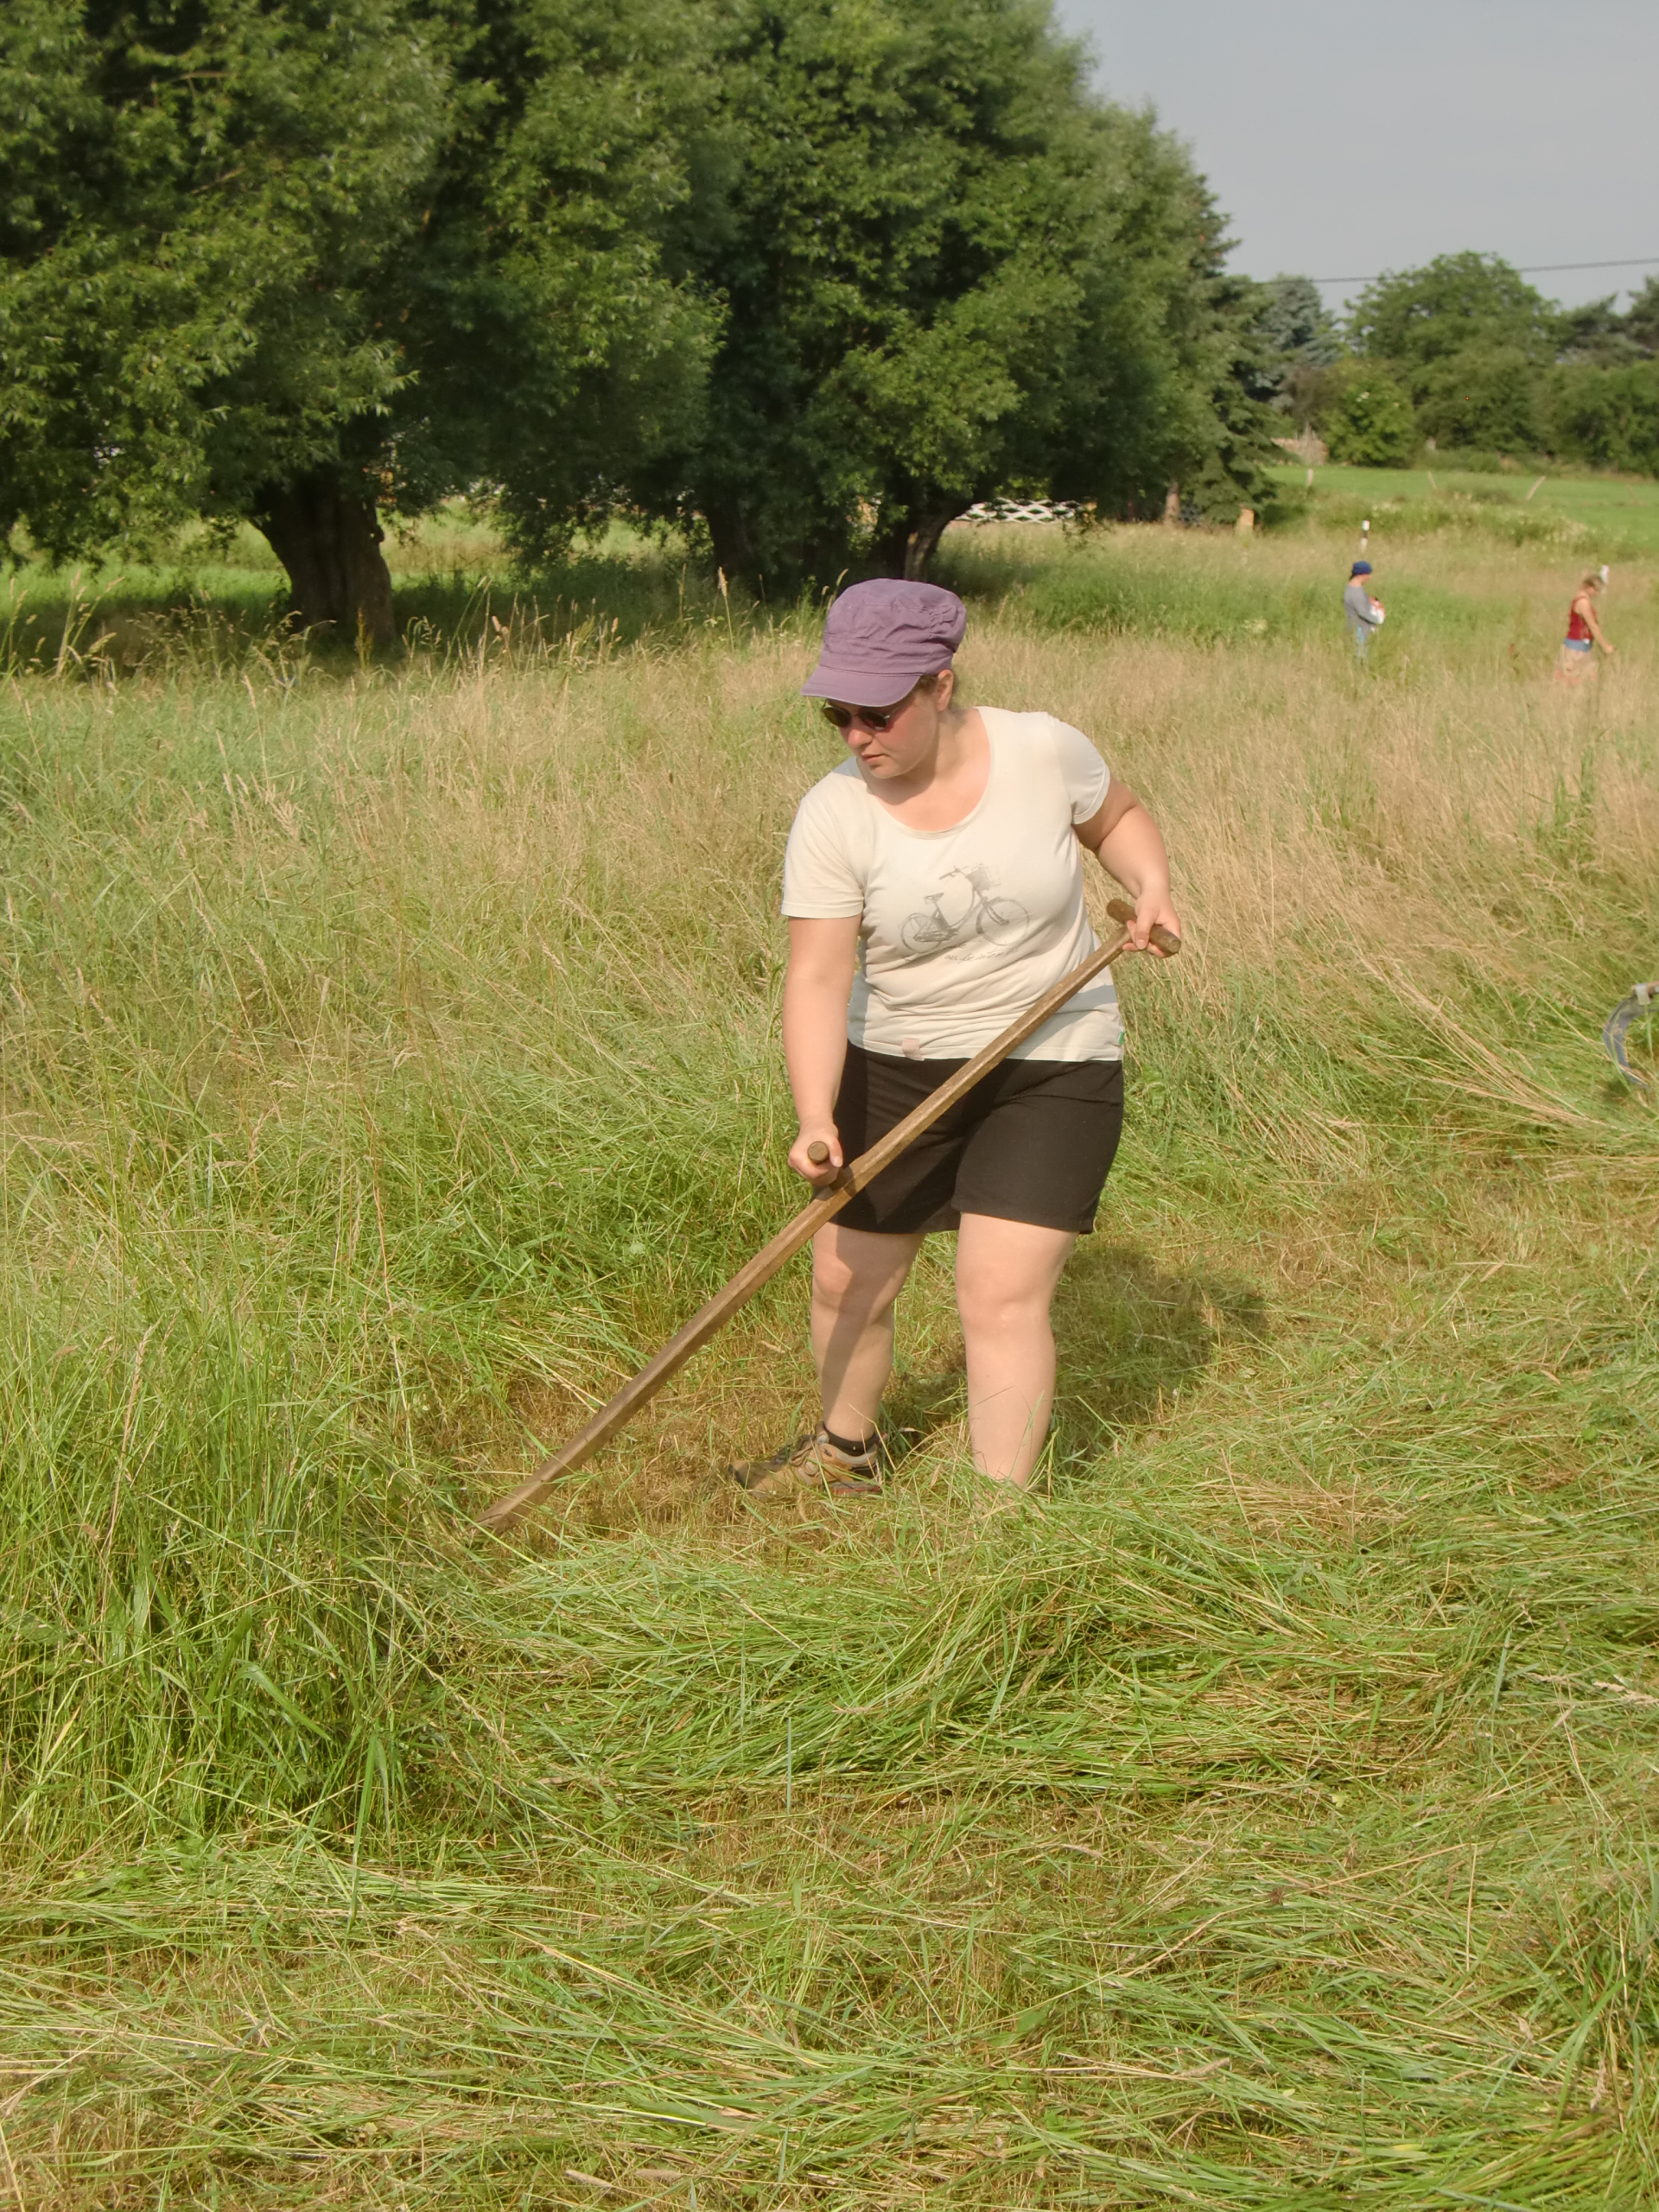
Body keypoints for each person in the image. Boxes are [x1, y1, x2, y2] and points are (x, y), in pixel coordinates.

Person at [741, 579, 1181, 1500]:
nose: (856, 736)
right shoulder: (834, 814)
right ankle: (846, 1453)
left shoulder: (1042, 750)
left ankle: (995, 1525)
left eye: (878, 713)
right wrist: (817, 1115)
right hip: (898, 1065)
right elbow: (817, 977)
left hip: (1052, 1056)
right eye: (837, 715)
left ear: (940, 686)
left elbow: (1117, 819)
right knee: (845, 1283)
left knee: (998, 1293)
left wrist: (1150, 885)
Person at [1556, 567, 1615, 683]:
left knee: (1584, 681)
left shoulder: (1581, 599)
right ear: (1588, 587)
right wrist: (1606, 646)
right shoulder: (1583, 602)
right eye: (1595, 589)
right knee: (1577, 681)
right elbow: (1593, 626)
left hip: (1582, 646)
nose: (1597, 593)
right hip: (1576, 649)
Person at [1344, 561, 1384, 658]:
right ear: (1360, 575)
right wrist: (1378, 619)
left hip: (1355, 626)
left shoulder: (1351, 588)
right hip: (1359, 629)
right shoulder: (1356, 592)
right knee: (1360, 655)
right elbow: (1363, 612)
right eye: (1368, 574)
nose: (1369, 577)